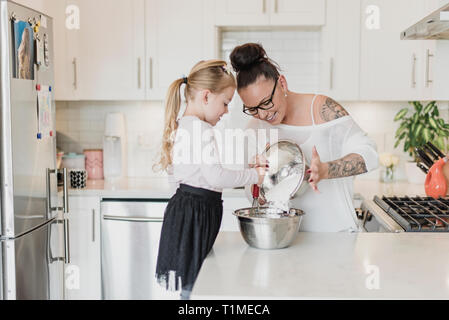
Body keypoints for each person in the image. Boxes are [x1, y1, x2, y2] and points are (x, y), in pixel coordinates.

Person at [230, 43, 379, 232]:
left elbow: (370, 154)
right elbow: (253, 196)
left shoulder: (322, 110)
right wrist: (258, 182)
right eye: (252, 109)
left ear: (282, 83)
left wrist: (326, 170)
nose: (263, 114)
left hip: (337, 236)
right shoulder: (255, 129)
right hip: (286, 239)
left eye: (266, 102)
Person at [154, 59, 267, 299]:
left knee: (189, 286)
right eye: (225, 103)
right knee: (197, 286)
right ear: (206, 96)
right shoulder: (202, 129)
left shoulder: (183, 125)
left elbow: (180, 177)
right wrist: (254, 175)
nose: (226, 111)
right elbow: (215, 176)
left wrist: (247, 168)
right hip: (196, 213)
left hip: (183, 212)